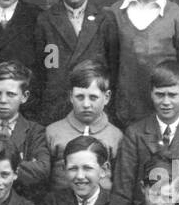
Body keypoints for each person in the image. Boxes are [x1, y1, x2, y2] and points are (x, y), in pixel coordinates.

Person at [34, 0, 114, 125]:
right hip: (57, 112)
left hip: (93, 111)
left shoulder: (105, 20)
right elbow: (43, 72)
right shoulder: (45, 21)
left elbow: (112, 71)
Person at [113, 60, 179, 205]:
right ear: (151, 93)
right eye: (160, 95)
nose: (166, 102)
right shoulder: (135, 134)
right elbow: (122, 192)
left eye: (172, 95)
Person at [0, 60, 50, 202]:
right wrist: (21, 163)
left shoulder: (36, 131)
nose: (3, 100)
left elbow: (42, 170)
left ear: (24, 97)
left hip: (24, 203)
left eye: (11, 94)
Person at [43, 61, 124, 192]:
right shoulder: (53, 132)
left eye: (93, 97)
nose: (86, 104)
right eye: (80, 97)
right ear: (71, 96)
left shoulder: (115, 136)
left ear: (107, 97)